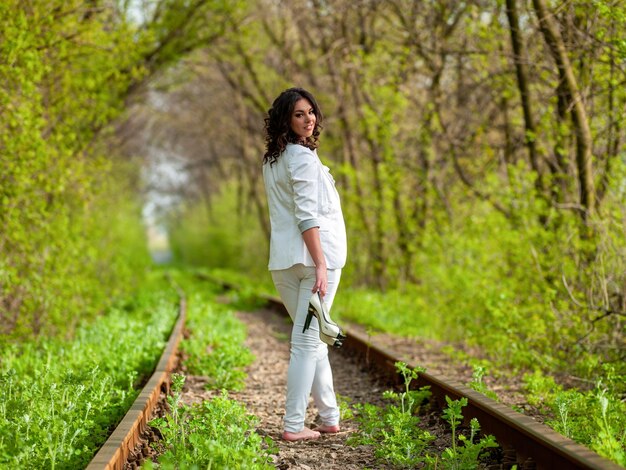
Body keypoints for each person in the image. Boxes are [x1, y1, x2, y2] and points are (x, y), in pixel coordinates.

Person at [262, 87, 347, 441]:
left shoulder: (272, 160)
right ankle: (293, 425)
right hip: (313, 262)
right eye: (299, 114)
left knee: (313, 341)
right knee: (305, 343)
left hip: (284, 262)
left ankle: (328, 416)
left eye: (311, 111)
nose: (309, 119)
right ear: (286, 119)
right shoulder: (303, 158)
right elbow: (306, 217)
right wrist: (322, 265)